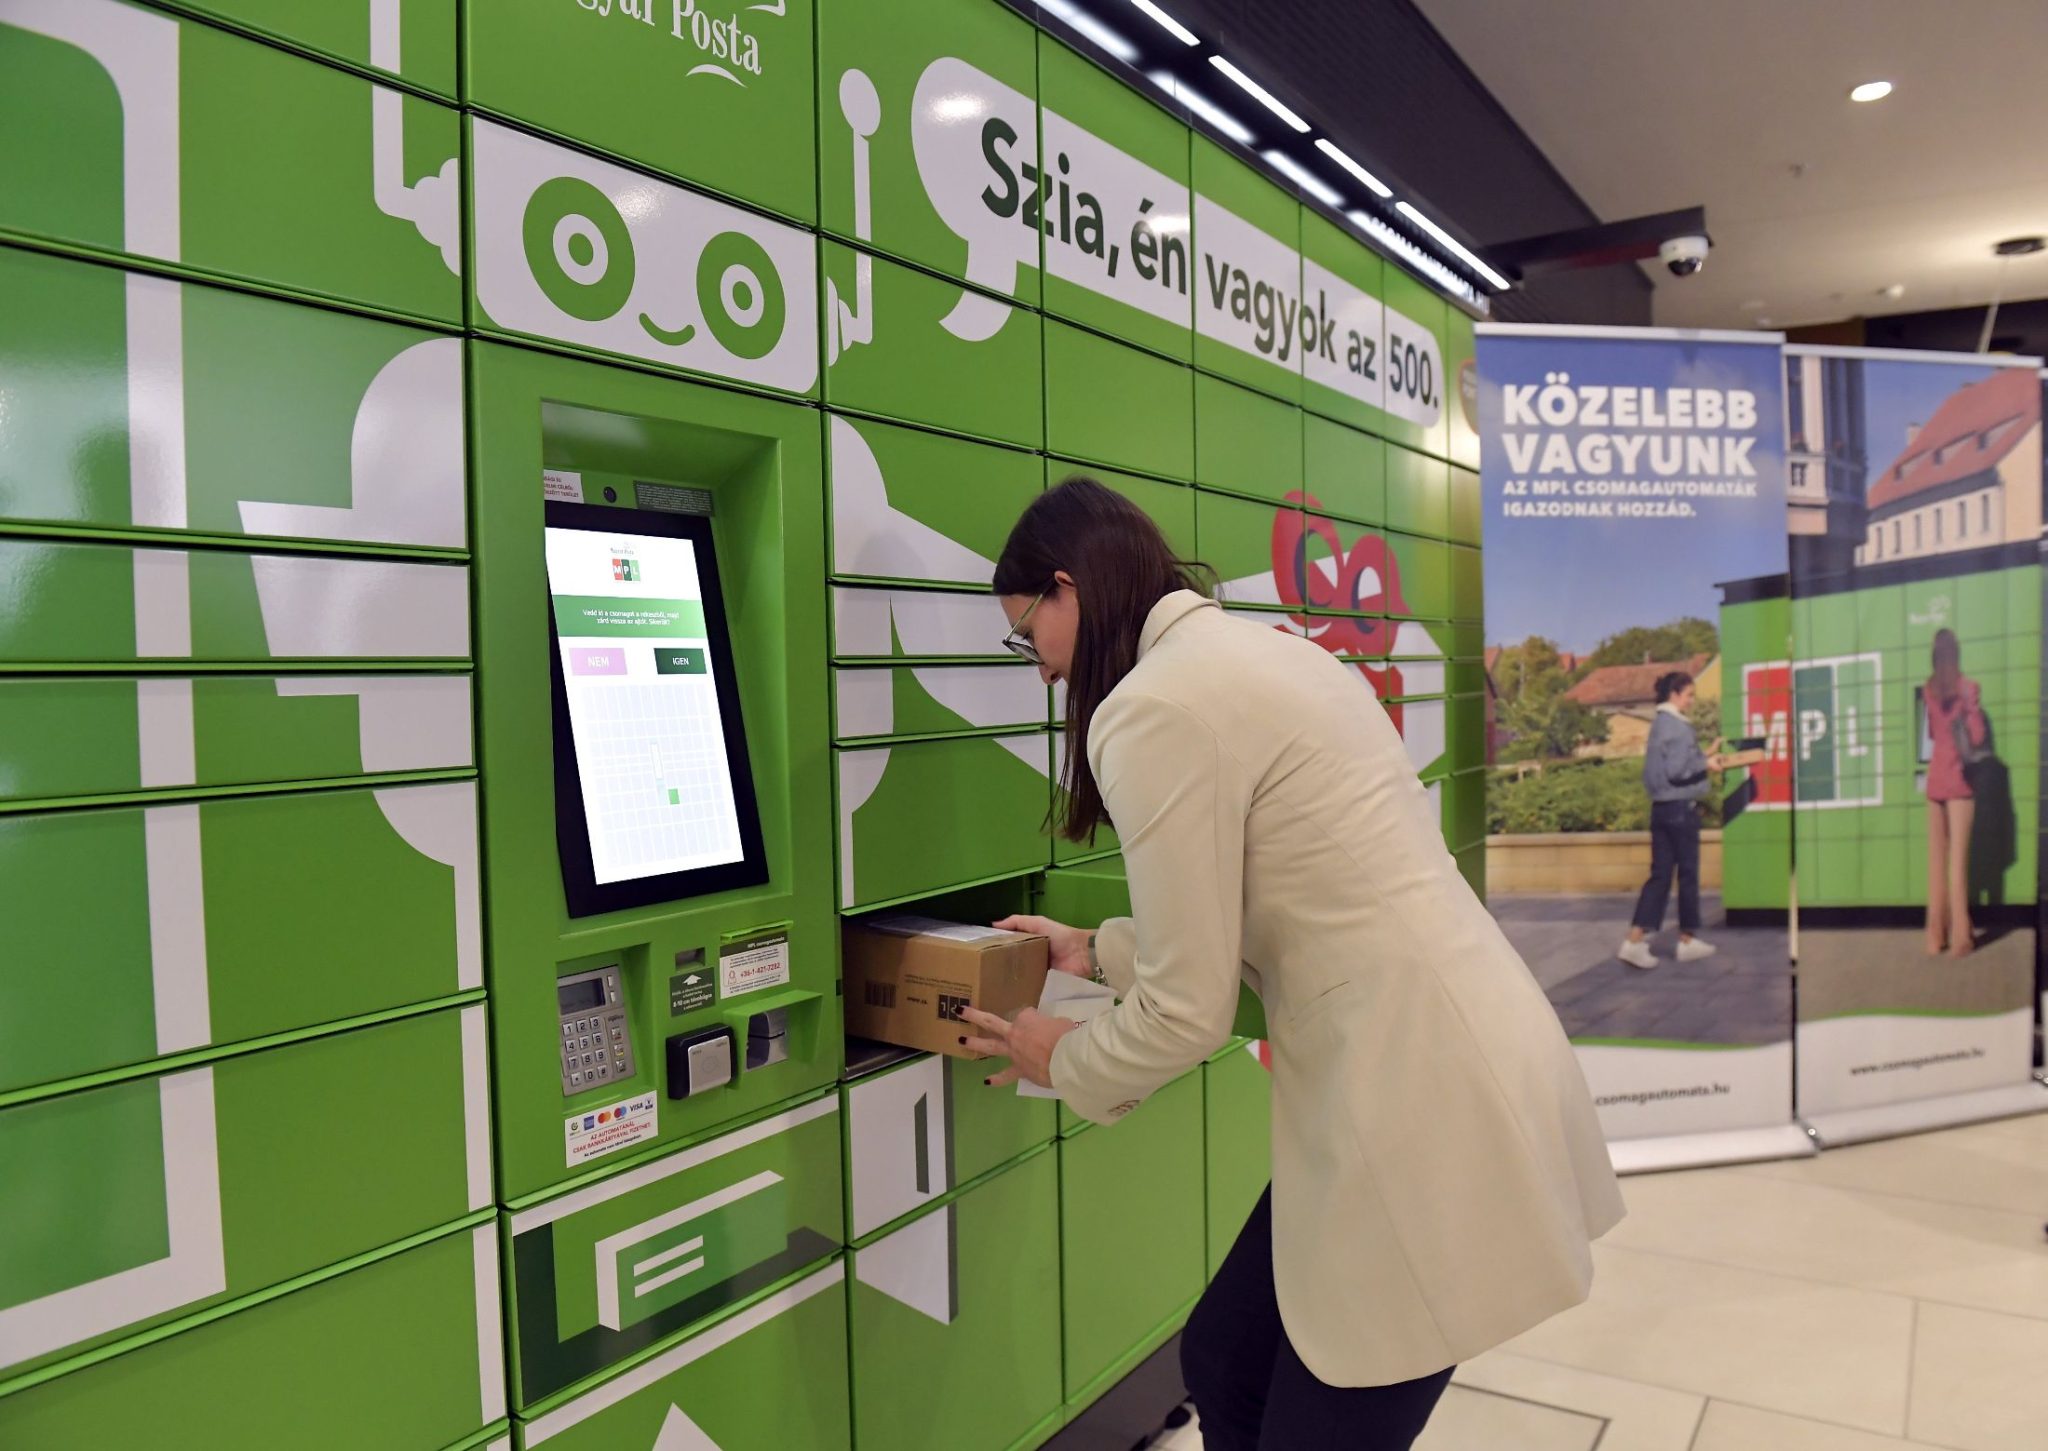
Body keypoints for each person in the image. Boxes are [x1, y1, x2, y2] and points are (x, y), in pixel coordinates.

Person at [955, 479, 1625, 1451]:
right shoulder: (1262, 653)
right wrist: (1091, 949)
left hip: (1408, 1095)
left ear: (1069, 588)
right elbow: (1283, 908)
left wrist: (1058, 1055)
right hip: (1451, 1044)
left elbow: (1186, 1009)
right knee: (1225, 1360)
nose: (1043, 669)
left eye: (1027, 635)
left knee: (1311, 1402)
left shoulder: (1150, 706)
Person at [1617, 671, 1727, 971]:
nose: (1692, 701)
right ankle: (1687, 940)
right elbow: (1678, 770)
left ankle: (1634, 940)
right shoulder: (1679, 727)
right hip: (1681, 809)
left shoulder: (1659, 724)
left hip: (1661, 810)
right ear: (1675, 694)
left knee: (1660, 876)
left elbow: (1668, 765)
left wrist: (1704, 754)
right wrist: (1707, 763)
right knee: (1688, 874)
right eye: (1689, 695)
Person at [1924, 627, 1986, 958]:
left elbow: (1934, 735)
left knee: (1936, 864)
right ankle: (1961, 937)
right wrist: (1972, 707)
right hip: (1959, 783)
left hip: (1935, 781)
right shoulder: (1967, 688)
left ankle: (1935, 938)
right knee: (1957, 865)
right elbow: (1976, 737)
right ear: (1957, 653)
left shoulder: (1929, 689)